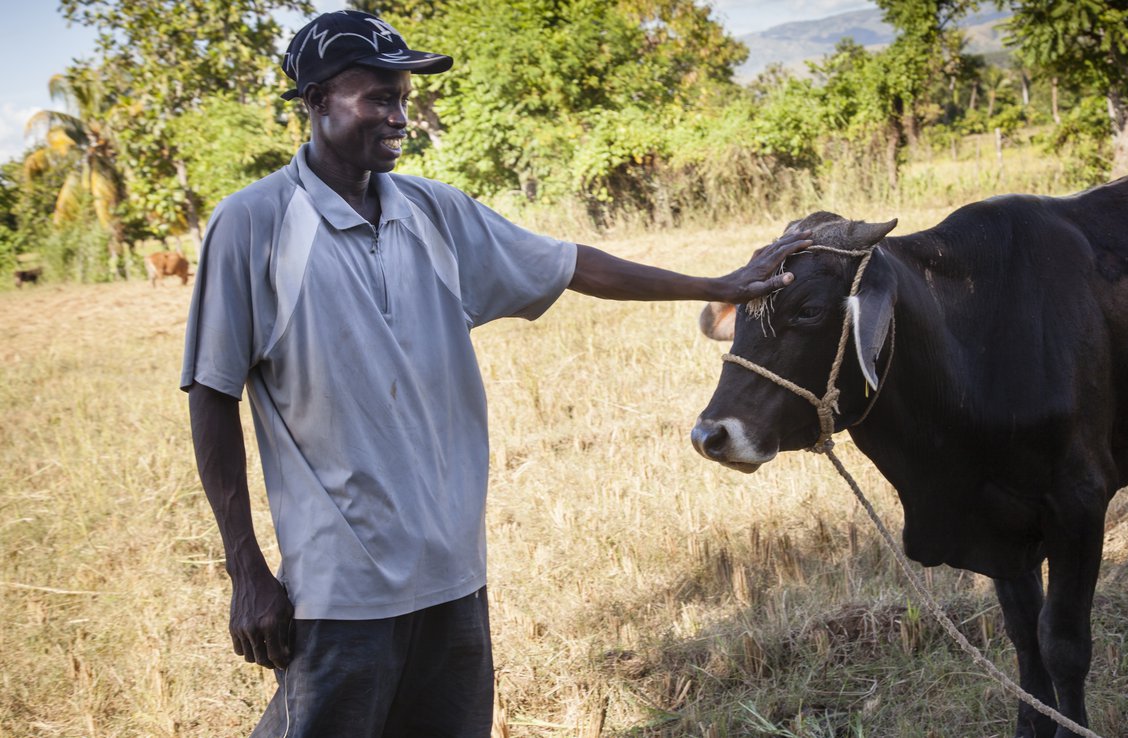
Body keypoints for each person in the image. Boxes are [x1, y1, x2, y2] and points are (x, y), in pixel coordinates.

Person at [182, 10, 811, 737]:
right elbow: (212, 393)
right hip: (340, 594)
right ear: (317, 100)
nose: (397, 117)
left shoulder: (434, 212)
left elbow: (574, 265)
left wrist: (718, 286)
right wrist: (246, 571)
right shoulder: (253, 224)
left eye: (403, 99)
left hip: (454, 579)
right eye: (377, 98)